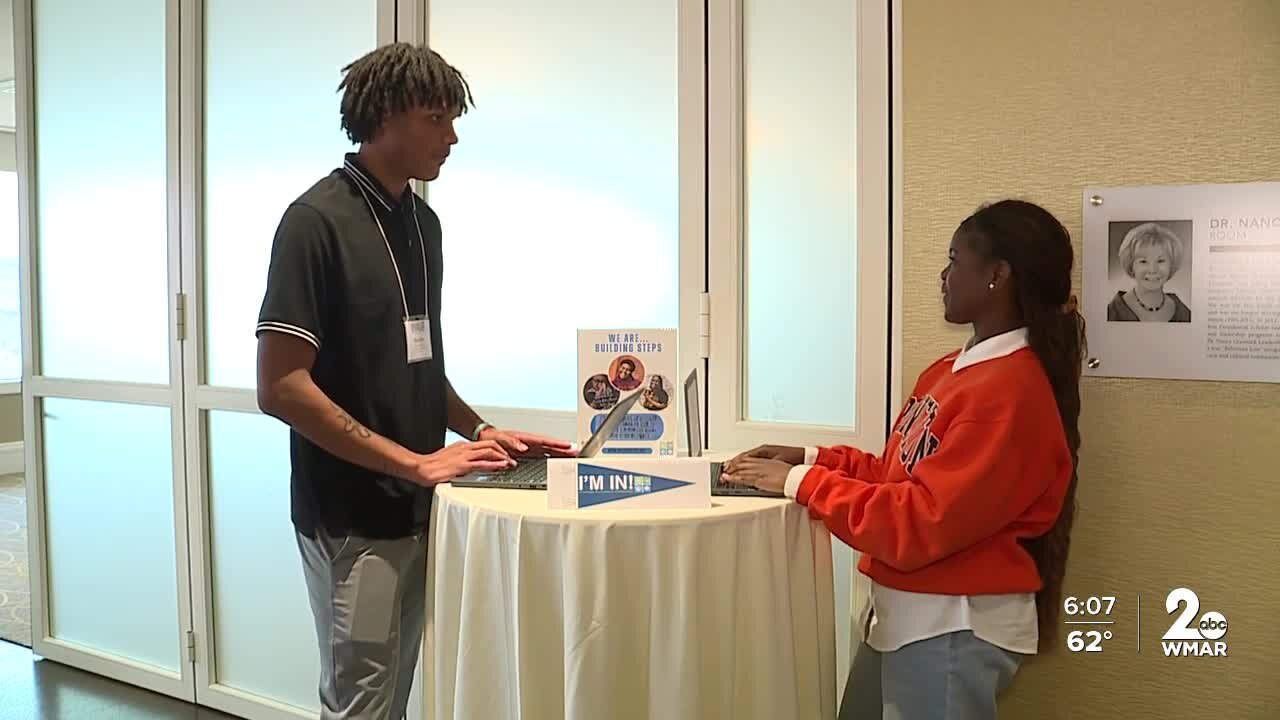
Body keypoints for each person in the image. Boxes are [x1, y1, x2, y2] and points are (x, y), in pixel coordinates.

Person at [255, 43, 574, 720]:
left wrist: (481, 430)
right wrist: (416, 461)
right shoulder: (314, 223)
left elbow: (419, 364)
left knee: (392, 694)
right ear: (389, 115)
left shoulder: (421, 223)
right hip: (352, 518)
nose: (453, 137)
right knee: (360, 700)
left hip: (422, 506)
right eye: (438, 118)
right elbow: (281, 386)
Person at [722, 199, 1085, 720]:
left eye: (955, 260)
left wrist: (800, 482)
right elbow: (899, 476)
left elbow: (918, 520)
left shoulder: (1012, 393)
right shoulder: (952, 370)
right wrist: (810, 457)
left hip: (951, 626)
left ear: (997, 276)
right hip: (910, 616)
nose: (944, 274)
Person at [1106, 222, 1191, 322]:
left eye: (1160, 261)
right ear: (1131, 265)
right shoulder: (1113, 311)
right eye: (1143, 261)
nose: (1152, 269)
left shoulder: (1183, 312)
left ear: (1171, 264)